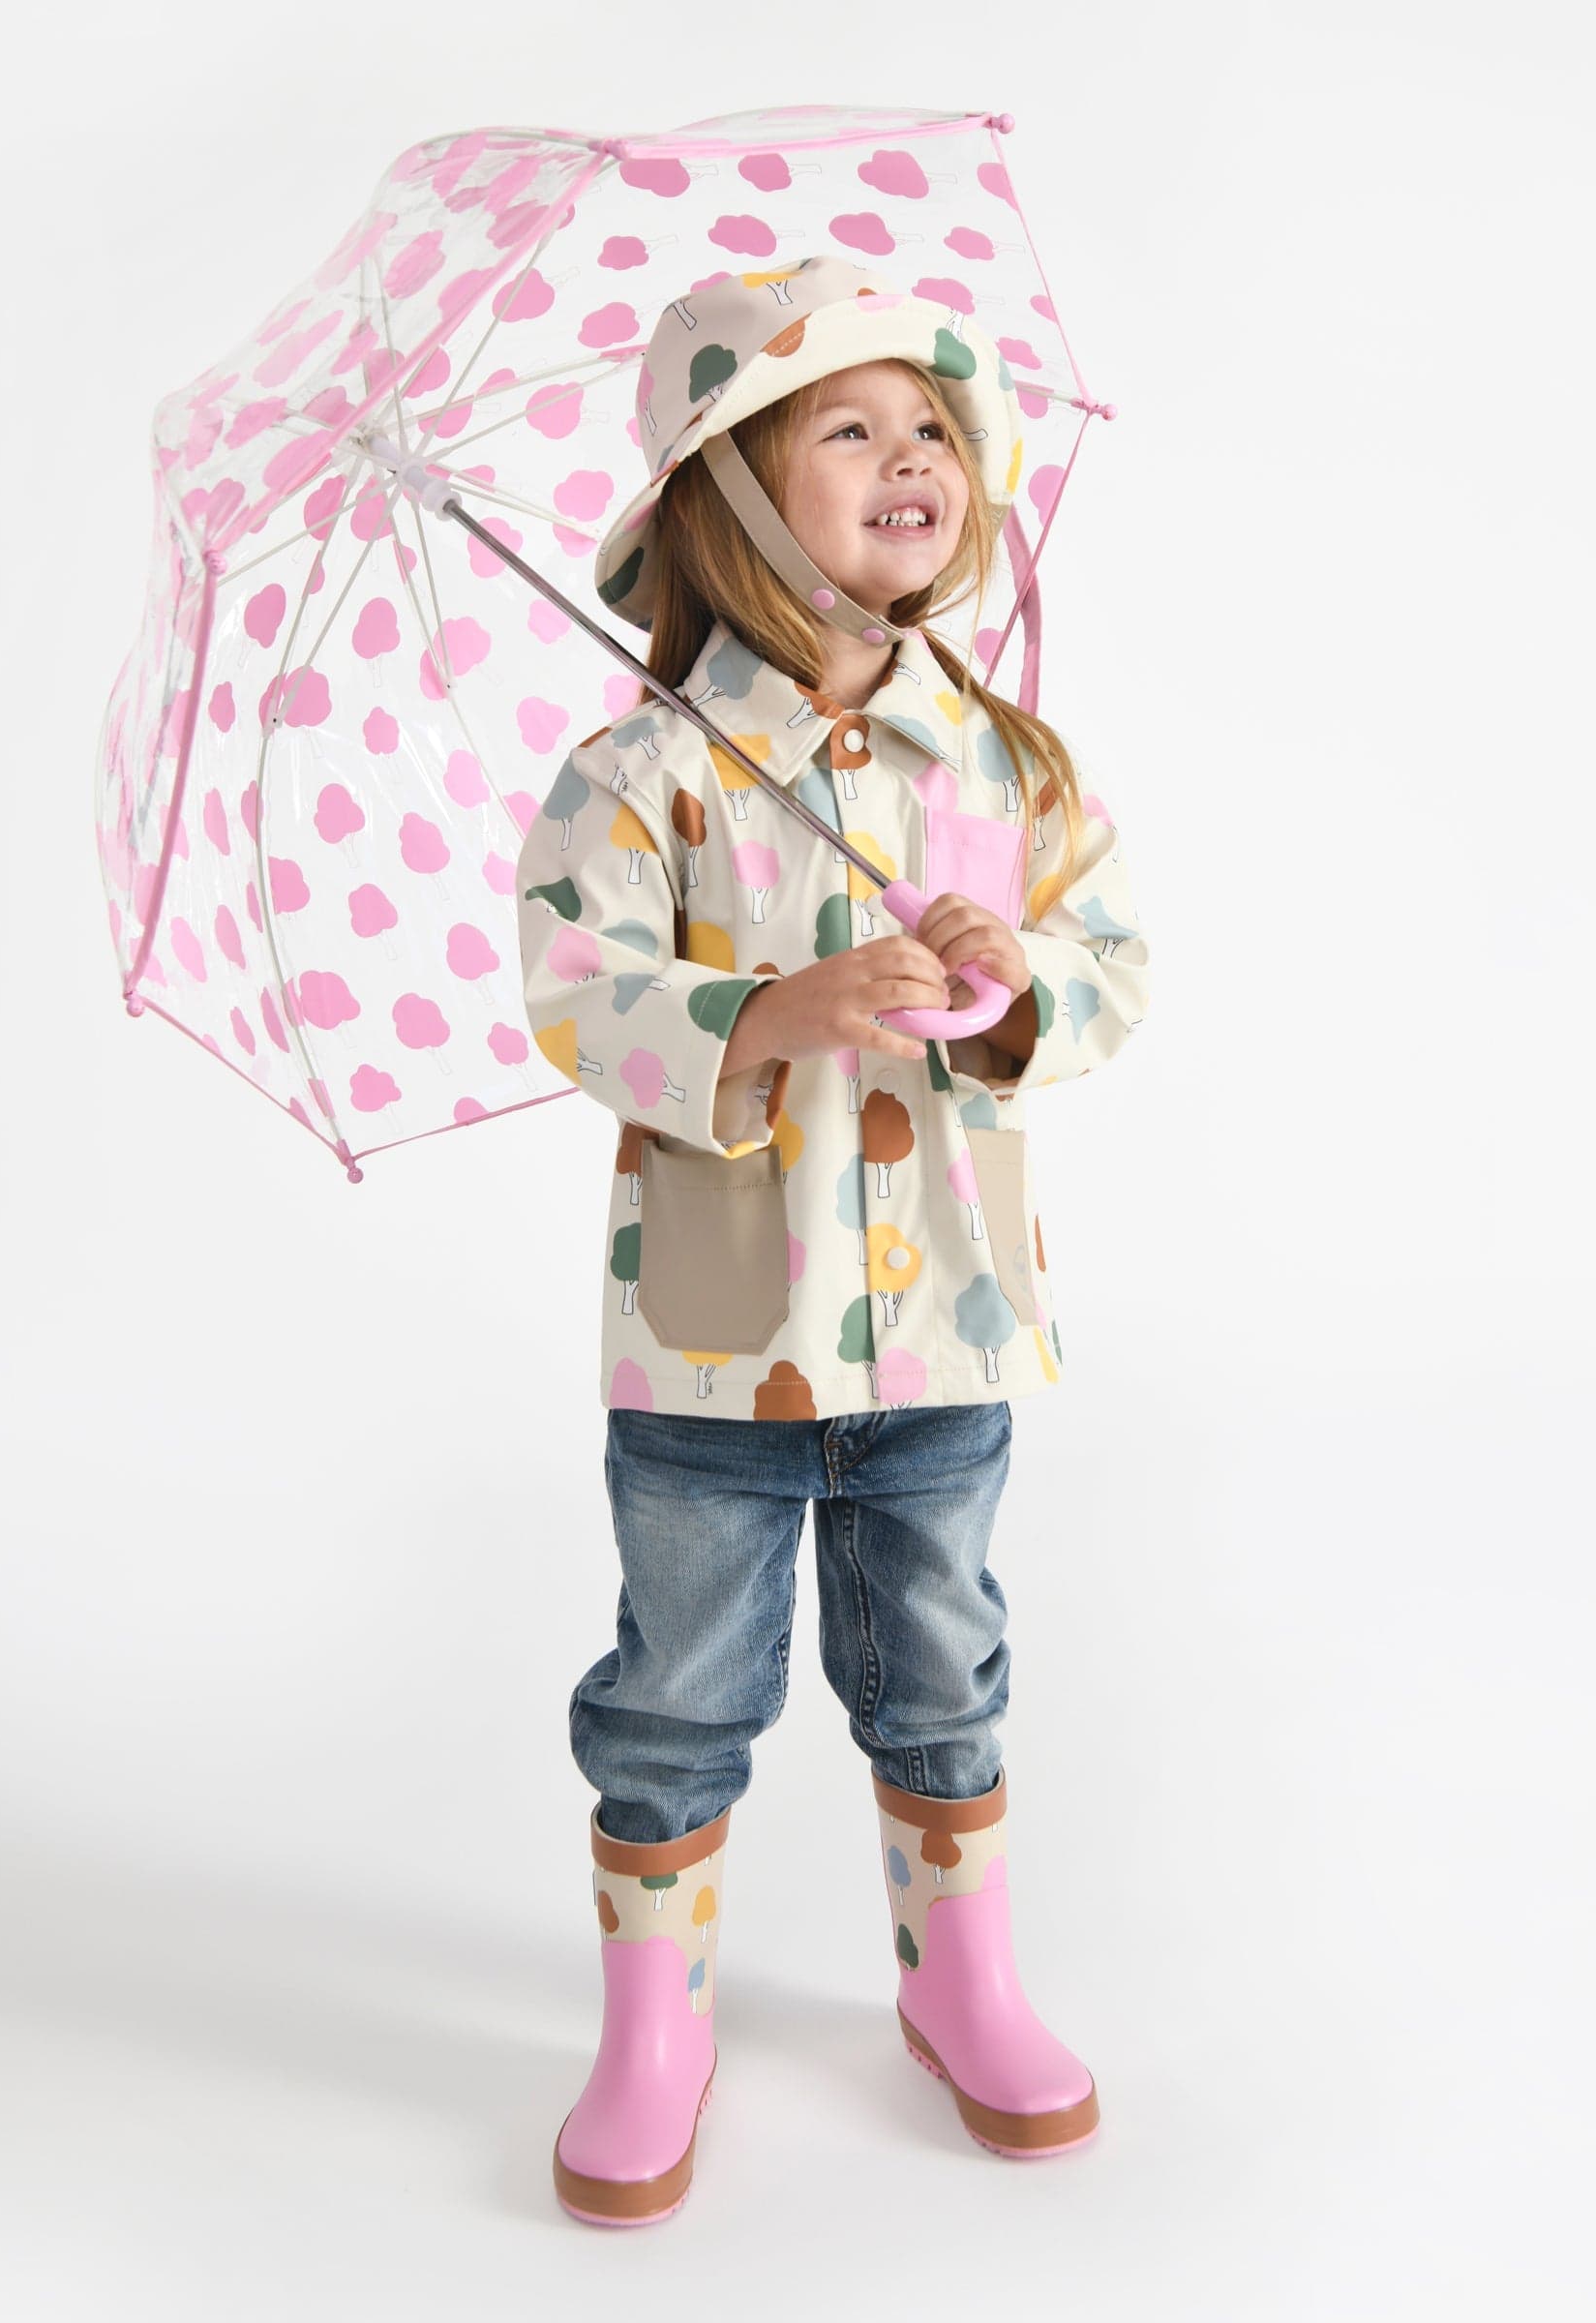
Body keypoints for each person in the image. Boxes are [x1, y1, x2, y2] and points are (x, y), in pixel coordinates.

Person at [512, 256, 1151, 2227]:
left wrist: (1013, 979)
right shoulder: (646, 776)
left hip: (947, 1319)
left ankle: (963, 1987)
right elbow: (572, 995)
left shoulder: (1007, 765)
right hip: (720, 1341)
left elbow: (1115, 968)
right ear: (726, 490)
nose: (910, 459)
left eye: (932, 426)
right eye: (848, 428)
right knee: (679, 1689)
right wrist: (765, 1013)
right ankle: (654, 2029)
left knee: (943, 1662)